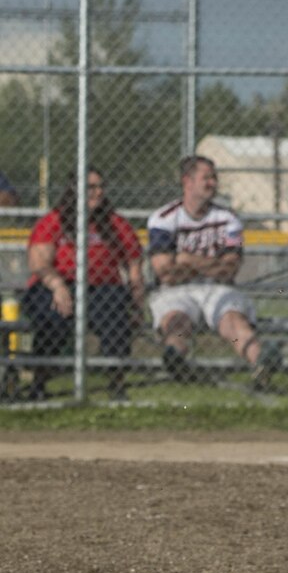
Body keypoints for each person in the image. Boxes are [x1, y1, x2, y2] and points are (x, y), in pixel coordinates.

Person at [16, 170, 146, 402]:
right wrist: (57, 286)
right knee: (51, 318)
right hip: (56, 285)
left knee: (116, 316)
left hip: (102, 289)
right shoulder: (54, 221)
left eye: (100, 186)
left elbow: (134, 267)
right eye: (91, 187)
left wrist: (136, 304)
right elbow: (38, 262)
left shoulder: (115, 224)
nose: (98, 192)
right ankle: (39, 383)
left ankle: (116, 385)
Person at [145, 155, 273, 388]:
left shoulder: (227, 218)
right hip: (175, 291)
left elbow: (230, 268)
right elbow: (165, 272)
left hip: (218, 289)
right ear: (188, 181)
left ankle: (261, 363)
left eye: (214, 177)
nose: (213, 183)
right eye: (207, 178)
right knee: (177, 320)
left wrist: (186, 260)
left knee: (232, 320)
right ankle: (177, 364)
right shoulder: (163, 219)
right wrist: (211, 264)